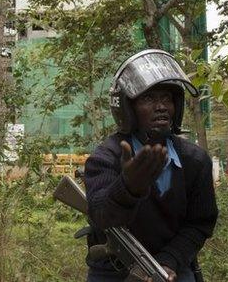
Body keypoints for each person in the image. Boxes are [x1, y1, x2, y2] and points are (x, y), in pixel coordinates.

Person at [84, 49, 218, 282]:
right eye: (148, 98)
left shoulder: (195, 161)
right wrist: (127, 188)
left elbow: (200, 223)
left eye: (167, 98)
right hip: (113, 269)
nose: (161, 106)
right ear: (128, 108)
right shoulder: (106, 157)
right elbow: (99, 214)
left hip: (171, 268)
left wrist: (169, 260)